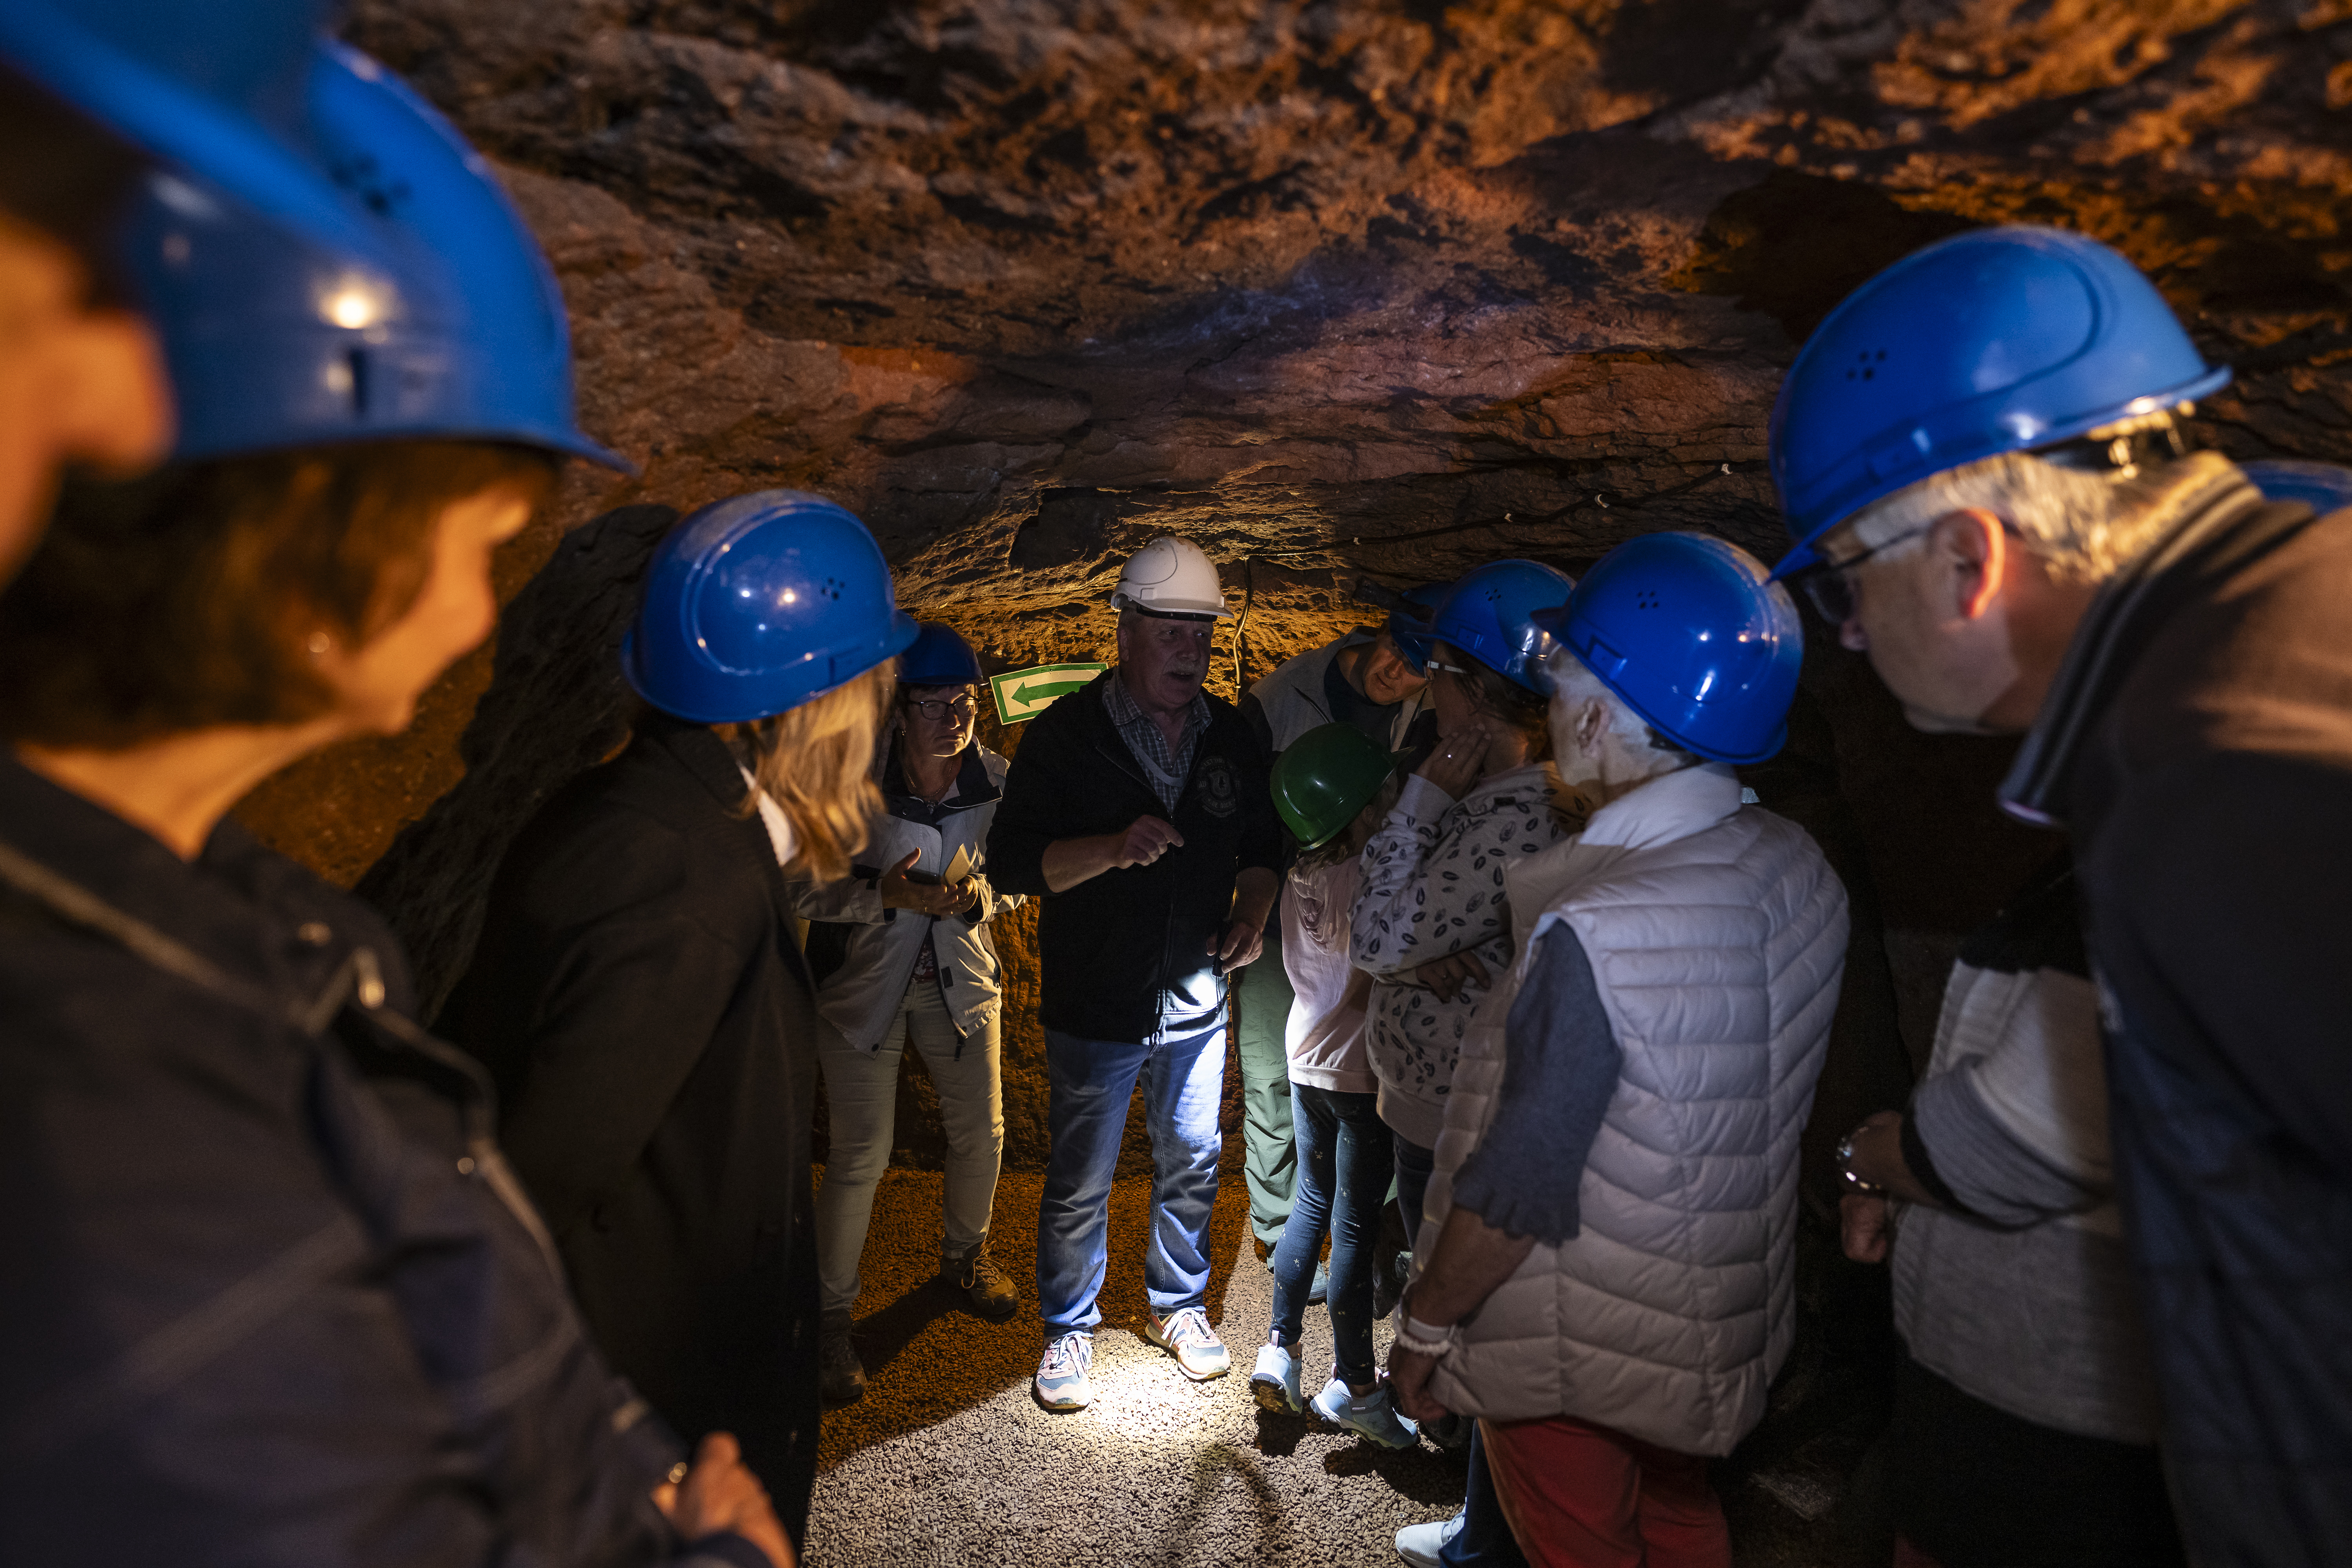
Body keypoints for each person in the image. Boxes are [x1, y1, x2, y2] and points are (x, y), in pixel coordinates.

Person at [0, 32, 790, 1568]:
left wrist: (624, 1464)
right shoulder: (116, 1137)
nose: (472, 621)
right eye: (463, 544)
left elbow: (475, 1306)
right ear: (286, 545)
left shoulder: (260, 929)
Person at [1767, 223, 2352, 1564]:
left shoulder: (2223, 780)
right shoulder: (2302, 592)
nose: (1851, 638)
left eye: (1854, 586)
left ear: (1968, 559)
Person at [442, 492, 914, 1550]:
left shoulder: (641, 819)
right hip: (661, 1425)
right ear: (816, 704)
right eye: (872, 684)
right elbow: (539, 1187)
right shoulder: (685, 886)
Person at [1388, 532, 1844, 1567]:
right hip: (1715, 1319)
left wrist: (1425, 1326)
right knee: (1684, 1522)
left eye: (1562, 692)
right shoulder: (1794, 864)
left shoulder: (1600, 930)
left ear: (1595, 717)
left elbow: (1517, 1190)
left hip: (1574, 1350)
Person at [986, 536, 1283, 1412]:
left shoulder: (1231, 734)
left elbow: (1265, 847)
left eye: (1200, 634)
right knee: (1082, 1172)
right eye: (1171, 633)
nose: (1189, 651)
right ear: (1127, 630)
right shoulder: (1067, 737)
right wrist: (1113, 849)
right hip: (1096, 1004)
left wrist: (1254, 911)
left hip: (1195, 995)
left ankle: (1177, 1306)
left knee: (1194, 1156)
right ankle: (1068, 1325)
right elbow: (1011, 863)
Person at [1838, 850, 2183, 1568]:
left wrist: (1867, 1159)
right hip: (2032, 1385)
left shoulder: (2189, 848)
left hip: (2057, 1408)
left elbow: (2014, 1141)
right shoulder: (2122, 839)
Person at [794, 621, 1024, 1407]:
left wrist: (985, 894)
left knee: (983, 1131)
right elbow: (798, 883)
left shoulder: (996, 779)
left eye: (962, 700)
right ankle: (829, 1317)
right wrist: (879, 895)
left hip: (957, 978)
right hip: (865, 986)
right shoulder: (851, 785)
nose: (952, 716)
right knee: (861, 1152)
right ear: (899, 710)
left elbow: (1018, 873)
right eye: (933, 703)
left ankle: (966, 1255)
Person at [1348, 559, 1580, 1260]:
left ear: (1477, 690)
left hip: (1456, 1113)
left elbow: (1373, 939)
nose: (1429, 686)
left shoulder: (1511, 820)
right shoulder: (1506, 801)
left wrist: (1420, 801)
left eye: (1440, 669)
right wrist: (1416, 965)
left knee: (1443, 1301)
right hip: (1446, 1100)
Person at [1232, 583, 1442, 1285]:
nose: (1399, 673)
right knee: (1269, 1066)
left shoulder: (1425, 713)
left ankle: (1374, 1227)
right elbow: (1239, 805)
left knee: (1376, 1062)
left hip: (1370, 906)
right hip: (1279, 903)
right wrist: (1250, 899)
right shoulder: (1279, 698)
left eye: (1420, 667)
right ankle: (1276, 1227)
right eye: (1397, 651)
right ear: (1378, 629)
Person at [1250, 722, 1412, 1445]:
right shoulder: (1375, 873)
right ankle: (1356, 1382)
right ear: (1363, 805)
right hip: (1357, 1067)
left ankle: (1279, 1350)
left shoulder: (1302, 874)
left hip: (1304, 1052)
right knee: (1354, 1221)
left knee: (1309, 1203)